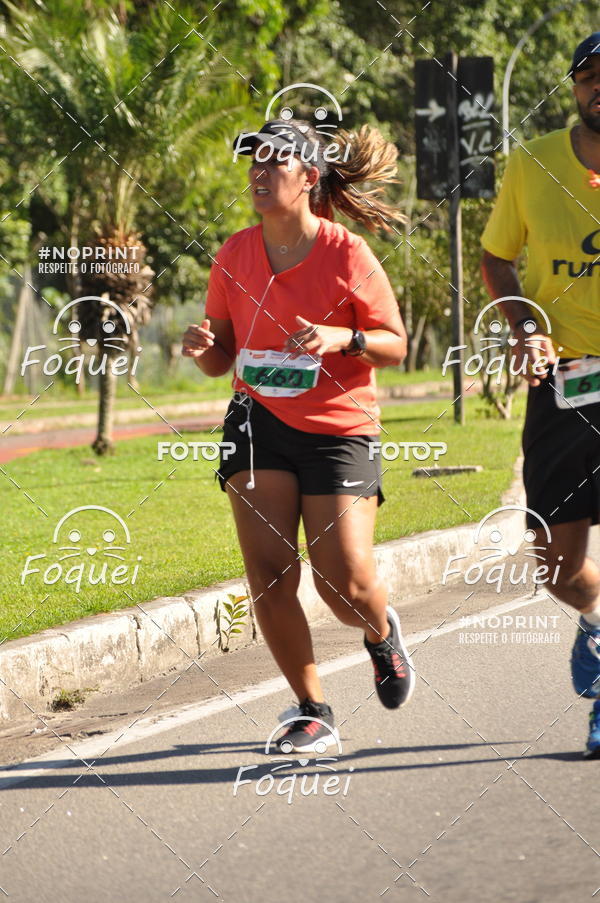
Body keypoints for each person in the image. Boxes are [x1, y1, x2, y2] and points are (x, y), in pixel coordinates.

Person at [182, 118, 415, 752]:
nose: (258, 173)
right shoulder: (234, 254)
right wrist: (202, 347)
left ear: (309, 177)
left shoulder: (347, 254)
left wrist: (345, 337)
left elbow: (396, 343)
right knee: (269, 573)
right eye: (252, 161)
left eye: (274, 162)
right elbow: (219, 356)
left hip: (338, 427)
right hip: (258, 421)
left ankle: (379, 633)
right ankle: (311, 707)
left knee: (342, 580)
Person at [481, 33, 600, 758]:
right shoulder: (531, 164)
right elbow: (497, 257)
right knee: (557, 564)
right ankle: (596, 623)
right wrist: (525, 326)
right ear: (576, 88)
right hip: (565, 382)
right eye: (590, 76)